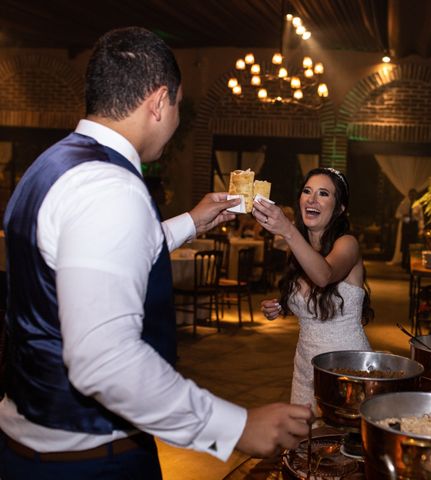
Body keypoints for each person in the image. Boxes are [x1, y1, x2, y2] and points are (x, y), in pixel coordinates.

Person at [0, 27, 312, 480]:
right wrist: (234, 426)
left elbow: (80, 261)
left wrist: (189, 223)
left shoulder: (50, 167)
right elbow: (104, 361)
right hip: (90, 461)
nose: (178, 118)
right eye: (180, 106)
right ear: (160, 101)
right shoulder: (112, 187)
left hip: (25, 443)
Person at [253, 167, 374, 411]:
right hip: (305, 368)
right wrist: (282, 305)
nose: (312, 199)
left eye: (323, 194)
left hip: (345, 367)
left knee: (340, 441)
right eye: (307, 191)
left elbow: (324, 275)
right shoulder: (298, 248)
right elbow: (311, 299)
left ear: (340, 208)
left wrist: (287, 229)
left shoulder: (348, 244)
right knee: (305, 442)